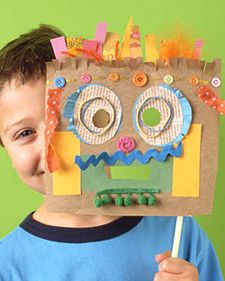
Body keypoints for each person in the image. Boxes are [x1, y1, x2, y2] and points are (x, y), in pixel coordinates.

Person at [0, 25, 223, 281]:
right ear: (4, 144)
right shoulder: (7, 263)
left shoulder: (179, 233)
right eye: (25, 133)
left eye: (67, 120)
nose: (50, 146)